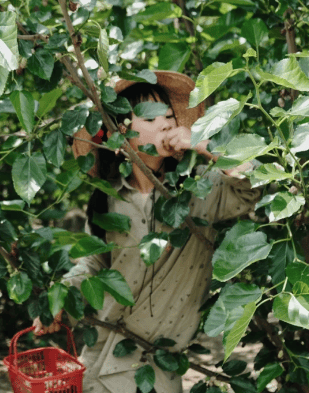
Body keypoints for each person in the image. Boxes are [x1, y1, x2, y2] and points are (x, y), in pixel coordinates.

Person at [32, 70, 261, 393]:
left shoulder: (200, 190)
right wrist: (60, 301)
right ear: (121, 131)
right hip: (101, 354)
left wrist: (203, 145)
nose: (167, 123)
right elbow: (95, 266)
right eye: (152, 118)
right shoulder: (107, 200)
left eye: (170, 116)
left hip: (158, 364)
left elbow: (254, 182)